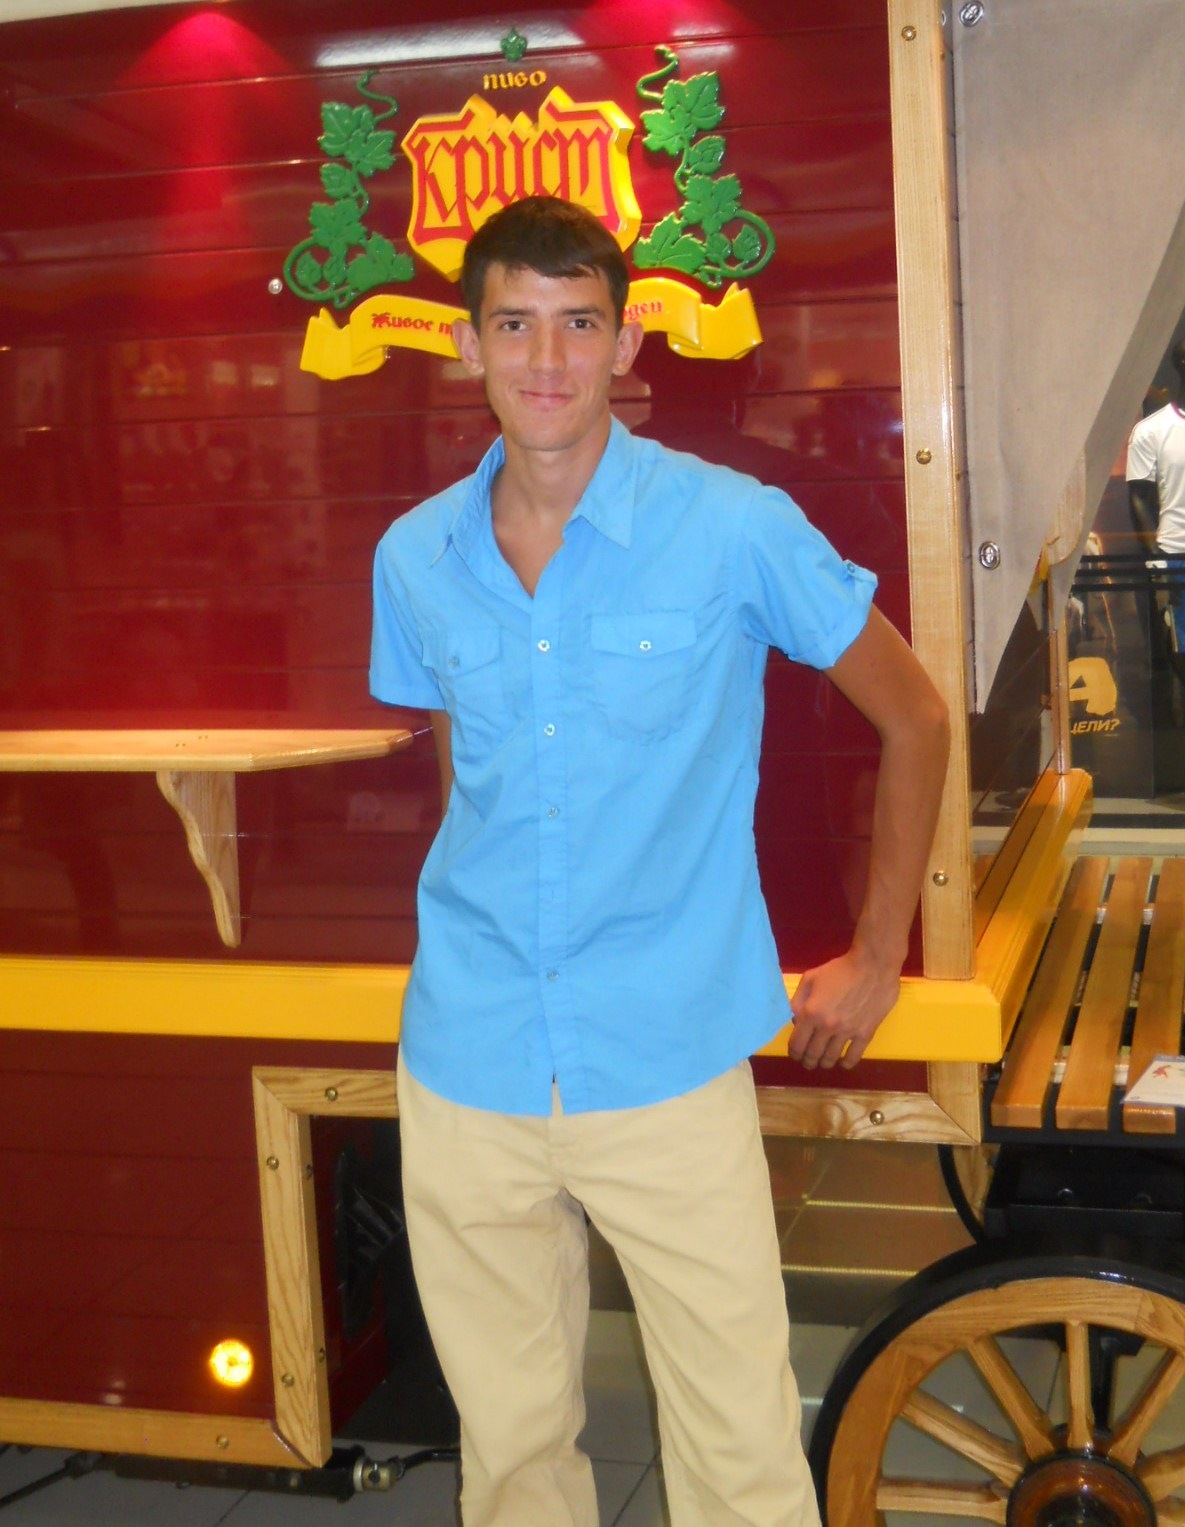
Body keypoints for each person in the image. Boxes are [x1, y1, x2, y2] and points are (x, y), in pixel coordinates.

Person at [370, 195, 950, 1527]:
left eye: (580, 323)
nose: (548, 359)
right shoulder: (415, 556)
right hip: (466, 1058)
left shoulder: (732, 524)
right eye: (516, 324)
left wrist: (877, 953)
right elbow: (465, 773)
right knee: (510, 1453)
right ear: (468, 343)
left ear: (626, 342)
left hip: (666, 1054)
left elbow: (915, 717)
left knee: (738, 1451)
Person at [1127, 337, 1185, 667]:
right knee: (1184, 648)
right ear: (1183, 367)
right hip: (1177, 555)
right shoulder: (1151, 431)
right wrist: (1156, 557)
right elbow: (1138, 498)